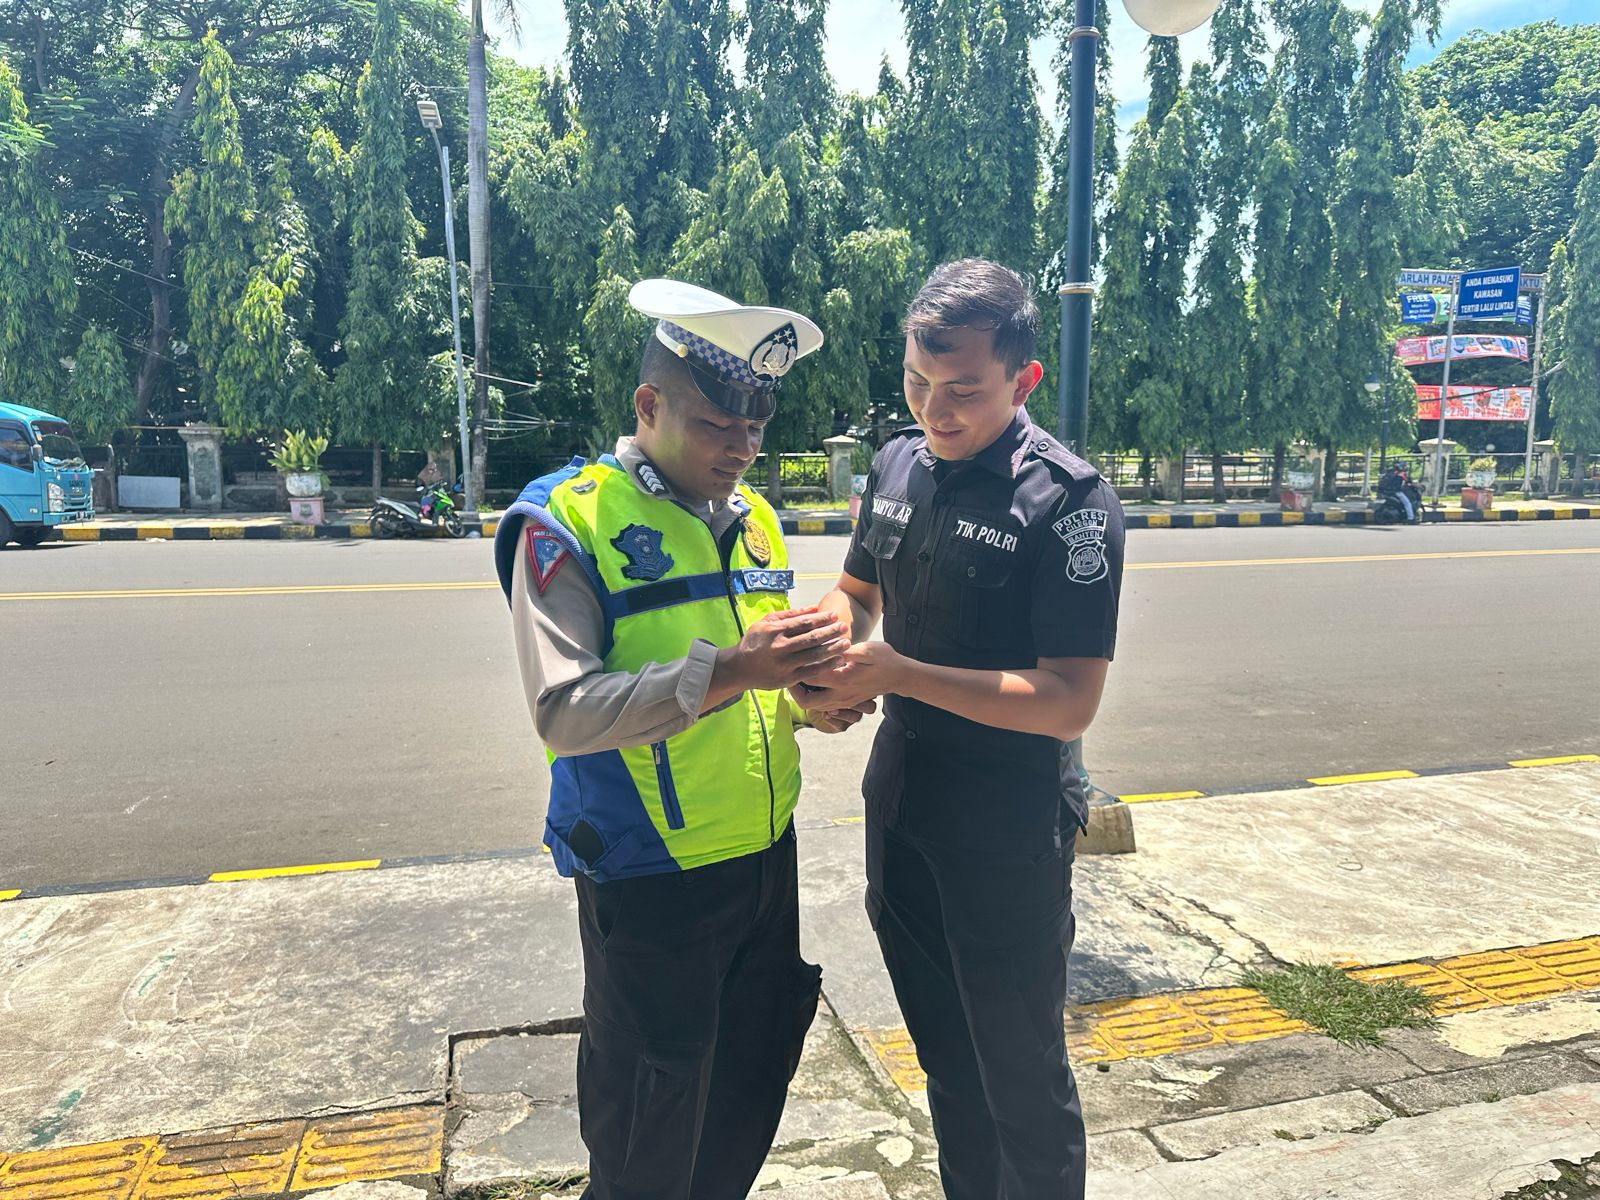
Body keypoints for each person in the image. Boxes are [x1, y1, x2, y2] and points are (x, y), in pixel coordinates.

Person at [493, 278, 873, 1200]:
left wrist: (806, 704)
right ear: (649, 405)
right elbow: (564, 710)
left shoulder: (753, 519)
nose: (741, 448)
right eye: (716, 424)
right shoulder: (567, 520)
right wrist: (736, 668)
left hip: (764, 857)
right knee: (646, 1130)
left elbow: (754, 682)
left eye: (756, 427)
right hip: (650, 874)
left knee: (744, 1094)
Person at [794, 259, 1125, 1200]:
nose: (935, 409)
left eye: (963, 390)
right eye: (916, 382)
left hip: (1006, 823)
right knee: (945, 1059)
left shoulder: (1068, 504)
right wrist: (823, 652)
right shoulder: (898, 465)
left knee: (1019, 1074)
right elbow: (858, 590)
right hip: (904, 801)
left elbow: (1067, 699)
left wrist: (901, 673)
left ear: (1023, 379)